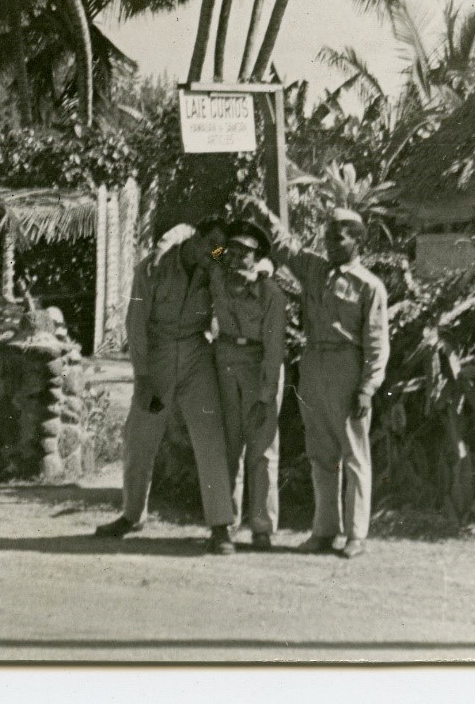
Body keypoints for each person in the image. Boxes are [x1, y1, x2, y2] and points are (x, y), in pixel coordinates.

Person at [95, 217, 238, 555]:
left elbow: (226, 285)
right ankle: (131, 515)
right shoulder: (153, 268)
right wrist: (142, 376)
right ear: (195, 237)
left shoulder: (213, 261)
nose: (214, 253)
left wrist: (218, 269)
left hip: (195, 355)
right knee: (140, 437)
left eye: (219, 248)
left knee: (209, 436)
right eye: (212, 245)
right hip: (158, 359)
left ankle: (220, 527)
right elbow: (136, 323)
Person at [271, 207, 389, 559]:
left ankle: (356, 534)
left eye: (340, 236)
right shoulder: (314, 270)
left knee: (354, 453)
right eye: (328, 236)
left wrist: (368, 387)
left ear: (358, 240)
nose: (332, 243)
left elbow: (377, 342)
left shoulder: (369, 286)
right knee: (320, 453)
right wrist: (262, 213)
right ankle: (324, 530)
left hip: (347, 366)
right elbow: (284, 246)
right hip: (314, 363)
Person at [209, 220, 288, 551]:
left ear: (257, 257)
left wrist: (267, 392)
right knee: (227, 446)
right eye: (233, 250)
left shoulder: (270, 293)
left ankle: (262, 527)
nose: (236, 257)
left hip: (260, 365)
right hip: (227, 359)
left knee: (262, 449)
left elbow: (274, 349)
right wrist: (221, 249)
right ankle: (223, 527)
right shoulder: (217, 275)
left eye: (246, 253)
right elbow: (210, 254)